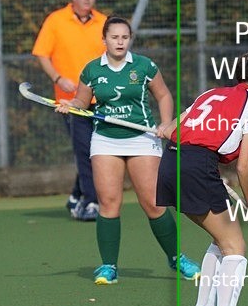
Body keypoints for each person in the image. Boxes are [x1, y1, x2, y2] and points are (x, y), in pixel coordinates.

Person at [56, 16, 200, 285]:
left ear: (130, 39)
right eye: (114, 37)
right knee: (109, 203)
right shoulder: (91, 71)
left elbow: (164, 95)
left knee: (154, 205)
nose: (120, 42)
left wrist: (166, 123)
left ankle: (176, 258)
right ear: (104, 40)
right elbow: (82, 102)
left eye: (124, 37)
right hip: (105, 141)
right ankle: (108, 266)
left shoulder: (144, 66)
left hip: (141, 138)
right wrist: (70, 104)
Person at [156, 44, 248, 306]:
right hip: (196, 167)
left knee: (220, 239)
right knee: (235, 246)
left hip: (171, 163)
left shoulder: (211, 94)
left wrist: (165, 128)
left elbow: (175, 128)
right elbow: (244, 166)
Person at [33, 0, 106, 221]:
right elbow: (42, 54)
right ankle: (92, 201)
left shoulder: (103, 23)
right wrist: (57, 78)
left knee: (92, 149)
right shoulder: (56, 20)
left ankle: (77, 195)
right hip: (69, 102)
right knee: (85, 149)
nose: (87, 0)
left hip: (100, 100)